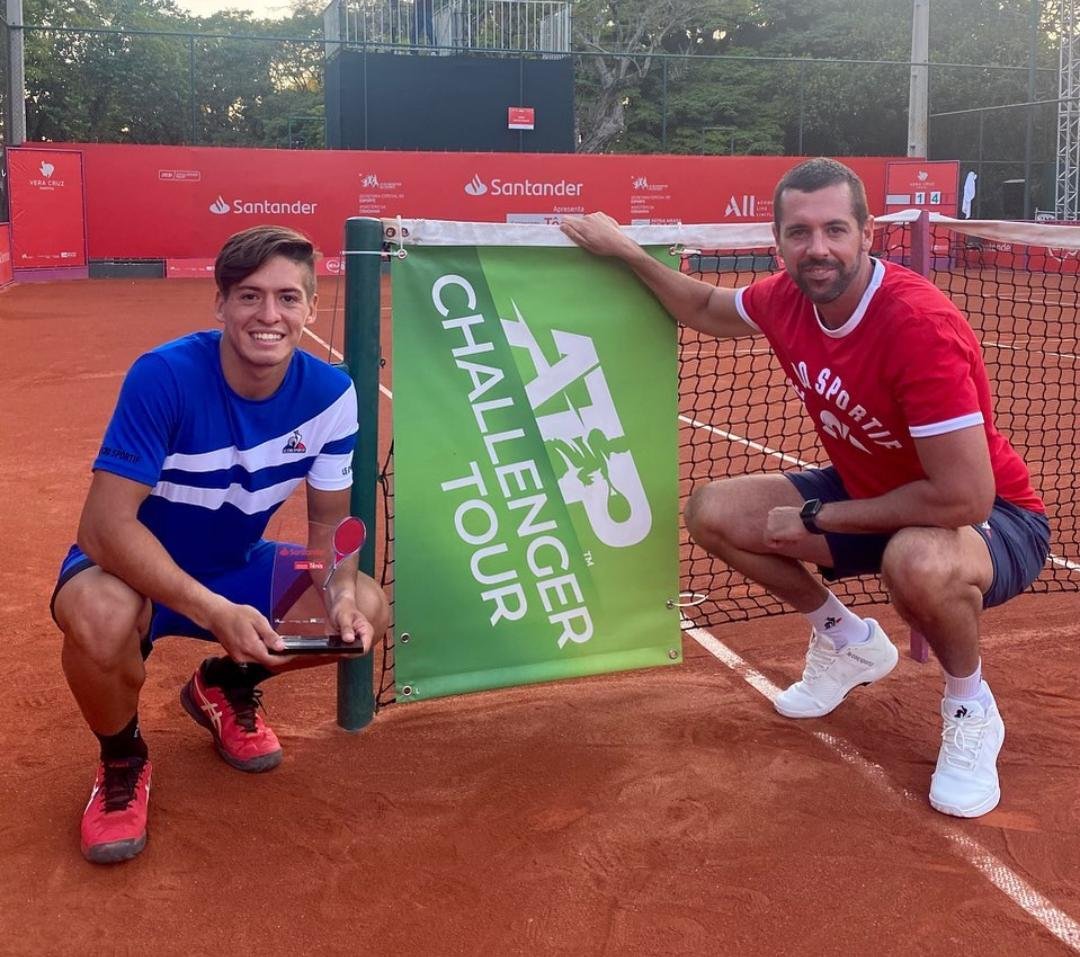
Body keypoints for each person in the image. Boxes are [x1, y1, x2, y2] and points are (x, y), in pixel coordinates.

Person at [560, 157, 1050, 819]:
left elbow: (964, 498)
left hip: (994, 520)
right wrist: (624, 251)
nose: (818, 248)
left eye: (835, 229)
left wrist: (822, 516)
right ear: (778, 240)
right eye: (800, 232)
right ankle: (847, 641)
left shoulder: (916, 328)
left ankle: (970, 705)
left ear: (868, 234)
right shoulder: (785, 300)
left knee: (919, 560)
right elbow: (705, 305)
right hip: (877, 496)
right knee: (715, 511)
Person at [51, 225, 391, 863]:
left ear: (311, 309)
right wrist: (213, 610)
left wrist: (337, 593)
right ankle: (123, 760)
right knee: (100, 617)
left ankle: (223, 683)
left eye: (288, 298)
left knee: (366, 610)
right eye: (249, 297)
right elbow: (103, 527)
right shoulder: (164, 375)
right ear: (221, 304)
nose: (269, 315)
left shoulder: (332, 394)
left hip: (234, 569)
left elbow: (328, 533)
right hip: (128, 573)